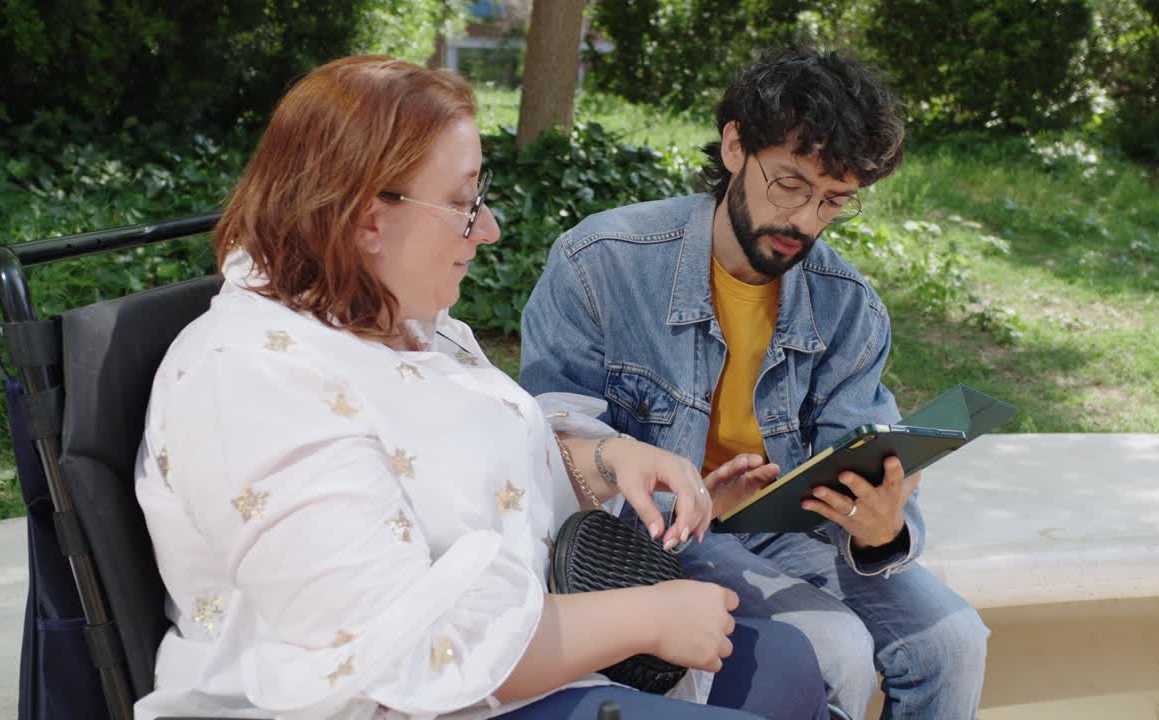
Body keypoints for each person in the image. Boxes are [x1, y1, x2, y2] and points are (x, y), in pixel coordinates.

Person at [133, 55, 829, 720]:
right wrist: (645, 617)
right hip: (396, 701)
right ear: (367, 219)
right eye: (465, 205)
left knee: (791, 664)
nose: (489, 229)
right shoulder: (252, 382)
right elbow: (399, 653)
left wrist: (606, 461)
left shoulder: (402, 324)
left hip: (506, 658)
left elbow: (490, 479)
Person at [519, 48, 988, 718]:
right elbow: (549, 445)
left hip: (786, 532)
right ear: (735, 144)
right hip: (658, 533)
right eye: (791, 184)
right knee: (839, 650)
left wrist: (879, 529)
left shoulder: (848, 306)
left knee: (954, 640)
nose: (805, 221)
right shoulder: (599, 265)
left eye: (834, 201)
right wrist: (681, 496)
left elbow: (856, 452)